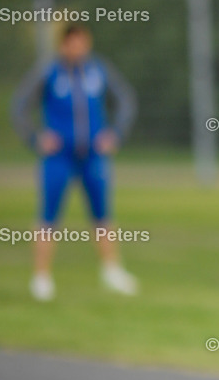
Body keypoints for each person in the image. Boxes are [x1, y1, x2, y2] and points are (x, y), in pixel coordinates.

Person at [11, 23, 139, 301]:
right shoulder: (49, 72)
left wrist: (115, 133)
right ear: (63, 45)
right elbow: (19, 106)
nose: (77, 48)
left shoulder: (98, 70)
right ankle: (41, 277)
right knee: (48, 216)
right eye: (72, 43)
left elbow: (125, 101)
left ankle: (112, 271)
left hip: (93, 155)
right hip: (59, 157)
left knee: (103, 215)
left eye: (82, 42)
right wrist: (35, 139)